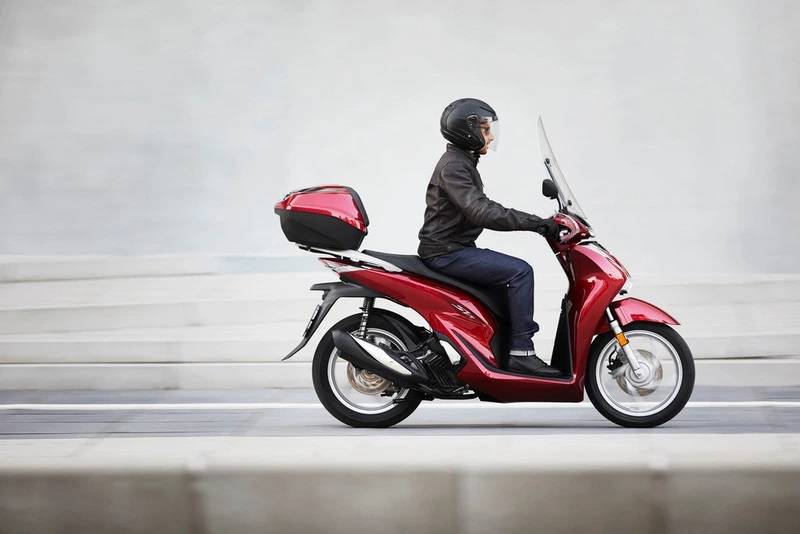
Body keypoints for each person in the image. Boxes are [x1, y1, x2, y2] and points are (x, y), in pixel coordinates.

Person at [418, 98, 561, 377]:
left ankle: (500, 351)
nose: (491, 136)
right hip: (446, 253)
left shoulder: (461, 163)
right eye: (485, 129)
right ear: (467, 130)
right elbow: (481, 211)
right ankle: (521, 354)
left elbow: (481, 208)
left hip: (454, 248)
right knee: (520, 272)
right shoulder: (454, 166)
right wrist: (537, 224)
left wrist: (541, 222)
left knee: (503, 285)